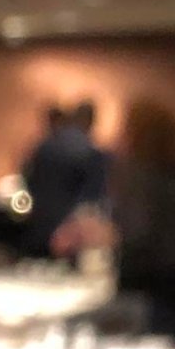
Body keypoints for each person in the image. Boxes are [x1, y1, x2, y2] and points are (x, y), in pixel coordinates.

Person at [57, 99, 175, 342]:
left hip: (153, 303)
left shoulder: (143, 175)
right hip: (168, 301)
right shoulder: (172, 176)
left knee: (69, 328)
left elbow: (141, 239)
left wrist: (104, 234)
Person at [23, 100, 108, 256]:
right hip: (72, 234)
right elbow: (92, 198)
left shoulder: (42, 147)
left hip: (39, 224)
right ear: (92, 121)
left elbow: (28, 180)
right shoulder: (91, 152)